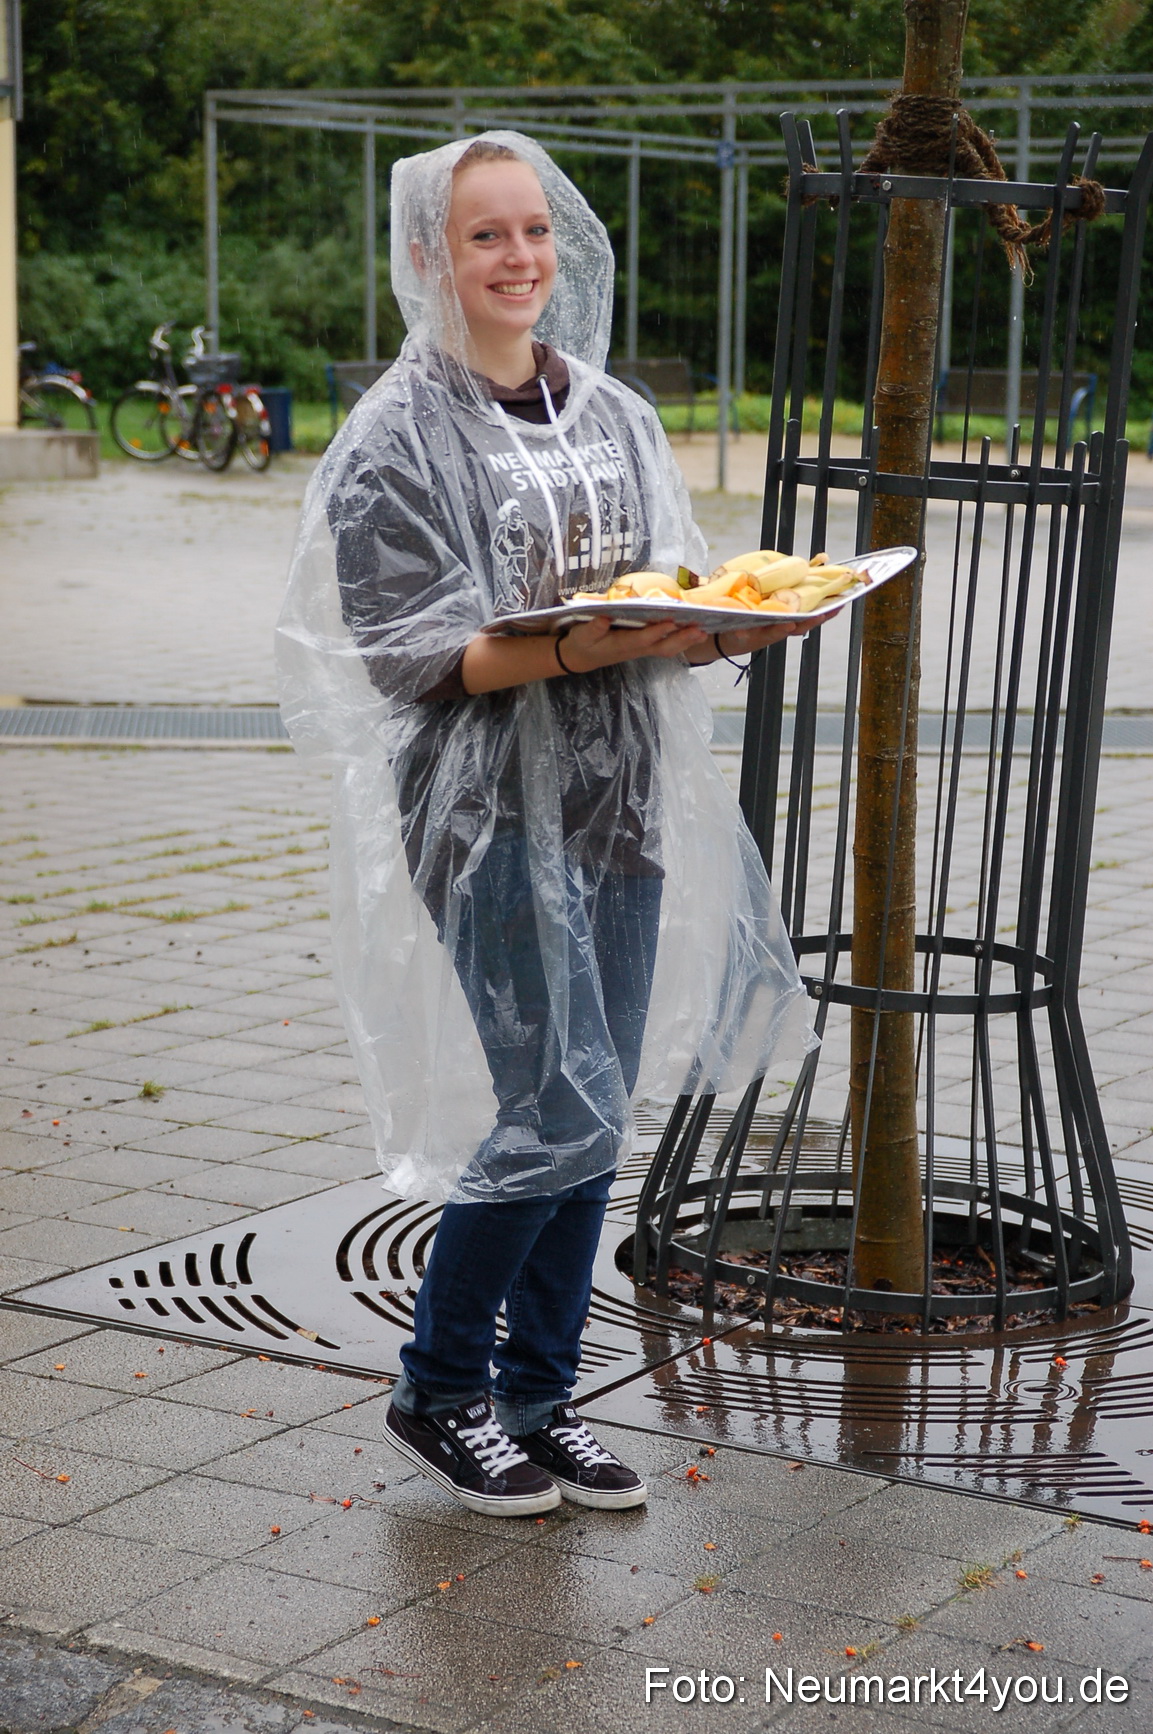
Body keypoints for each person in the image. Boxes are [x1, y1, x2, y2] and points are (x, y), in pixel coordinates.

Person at [276, 131, 817, 1519]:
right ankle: (440, 1386)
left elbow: (655, 593)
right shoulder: (394, 437)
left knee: (594, 1115)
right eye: (483, 236)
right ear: (424, 259)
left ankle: (539, 1397)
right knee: (547, 1106)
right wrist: (597, 642)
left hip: (616, 798)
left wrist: (713, 629)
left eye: (533, 231)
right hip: (482, 811)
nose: (519, 258)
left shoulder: (613, 415)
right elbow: (417, 655)